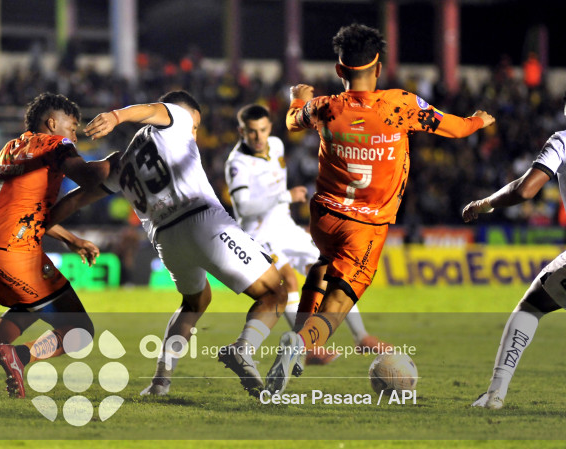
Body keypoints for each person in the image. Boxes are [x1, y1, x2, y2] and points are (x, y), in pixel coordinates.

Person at [263, 23, 495, 394]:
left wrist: (297, 97)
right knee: (337, 304)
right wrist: (479, 120)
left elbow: (292, 121)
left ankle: (300, 341)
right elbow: (457, 129)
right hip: (366, 227)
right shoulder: (400, 105)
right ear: (379, 68)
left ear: (340, 71)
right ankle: (302, 344)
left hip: (324, 216)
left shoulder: (324, 108)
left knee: (323, 267)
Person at [48, 90, 287, 396]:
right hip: (202, 220)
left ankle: (160, 381)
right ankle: (243, 348)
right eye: (196, 125)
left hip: (166, 241)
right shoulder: (179, 117)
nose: (195, 131)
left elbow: (79, 198)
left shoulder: (121, 162)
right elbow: (153, 108)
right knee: (274, 293)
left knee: (194, 302)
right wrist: (117, 115)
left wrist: (42, 222)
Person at [0, 92, 111, 398]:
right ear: (53, 123)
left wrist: (72, 239)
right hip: (15, 253)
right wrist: (120, 164)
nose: (74, 133)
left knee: (27, 308)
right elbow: (91, 178)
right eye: (72, 125)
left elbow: (22, 209)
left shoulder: (9, 149)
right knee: (80, 332)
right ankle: (20, 356)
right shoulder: (56, 144)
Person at [225, 103, 390, 365]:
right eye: (251, 132)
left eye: (263, 130)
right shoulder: (237, 163)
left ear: (269, 128)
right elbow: (244, 206)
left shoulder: (277, 145)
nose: (258, 137)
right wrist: (285, 196)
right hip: (259, 235)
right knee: (289, 281)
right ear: (241, 131)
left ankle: (362, 337)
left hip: (286, 227)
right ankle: (306, 346)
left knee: (333, 269)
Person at [462, 93, 566, 409]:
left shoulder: (562, 140)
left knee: (531, 307)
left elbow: (525, 189)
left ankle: (496, 393)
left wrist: (486, 203)